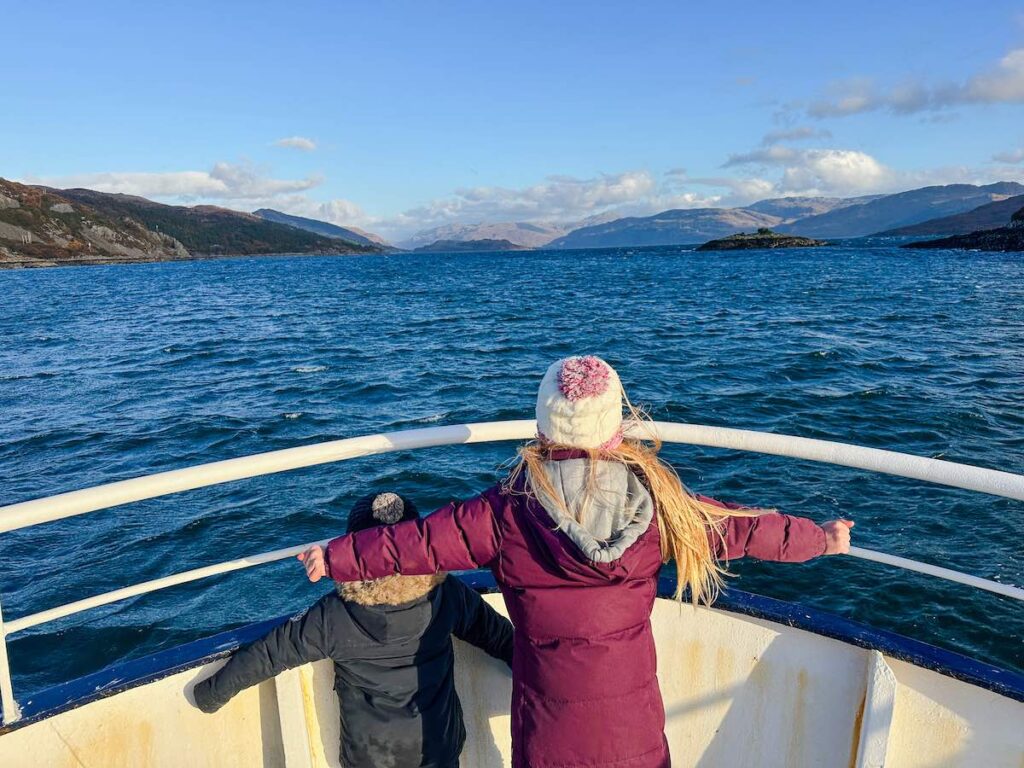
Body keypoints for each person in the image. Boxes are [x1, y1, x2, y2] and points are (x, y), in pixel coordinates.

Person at [299, 357, 854, 768]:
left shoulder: (503, 512)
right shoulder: (661, 506)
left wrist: (338, 555)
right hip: (631, 726)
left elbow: (416, 542)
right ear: (616, 429)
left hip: (549, 730)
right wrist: (819, 539)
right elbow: (744, 526)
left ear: (541, 430)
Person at [191, 491, 514, 768]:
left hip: (370, 759)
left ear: (352, 550)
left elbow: (270, 653)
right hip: (439, 748)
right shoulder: (446, 595)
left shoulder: (334, 615)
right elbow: (500, 637)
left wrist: (210, 694)